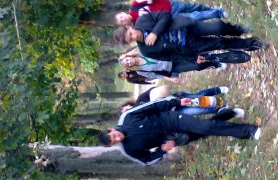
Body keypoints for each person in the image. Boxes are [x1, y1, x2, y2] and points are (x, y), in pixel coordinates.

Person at [98, 96, 260, 165]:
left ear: (111, 129)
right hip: (173, 139)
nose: (117, 138)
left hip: (172, 119)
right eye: (114, 141)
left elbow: (153, 106)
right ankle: (228, 114)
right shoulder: (129, 149)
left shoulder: (127, 117)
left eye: (113, 135)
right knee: (205, 130)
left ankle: (249, 131)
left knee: (205, 127)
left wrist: (176, 102)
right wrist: (162, 150)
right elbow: (146, 160)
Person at [115, 25, 265, 61]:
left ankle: (240, 29)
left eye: (130, 34)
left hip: (187, 27)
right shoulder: (146, 50)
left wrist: (155, 32)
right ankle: (251, 43)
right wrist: (192, 58)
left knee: (218, 26)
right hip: (187, 46)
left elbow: (164, 16)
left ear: (129, 27)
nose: (134, 36)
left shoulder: (144, 22)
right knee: (219, 43)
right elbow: (171, 57)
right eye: (131, 39)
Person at [115, 0, 228, 28]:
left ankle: (212, 9)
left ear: (122, 13)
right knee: (195, 17)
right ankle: (219, 12)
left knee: (194, 7)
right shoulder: (138, 25)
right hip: (171, 18)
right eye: (121, 21)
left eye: (121, 17)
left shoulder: (135, 5)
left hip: (170, 5)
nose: (123, 19)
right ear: (124, 25)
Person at [119, 85, 231, 117]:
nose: (129, 110)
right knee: (198, 110)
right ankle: (220, 110)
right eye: (126, 112)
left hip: (174, 98)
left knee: (197, 96)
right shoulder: (141, 117)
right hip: (175, 112)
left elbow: (154, 90)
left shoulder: (141, 100)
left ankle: (217, 90)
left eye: (126, 108)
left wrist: (157, 99)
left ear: (128, 105)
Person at [118, 49, 225, 81]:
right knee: (196, 66)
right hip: (173, 68)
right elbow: (155, 75)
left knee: (195, 56)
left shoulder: (142, 52)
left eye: (127, 60)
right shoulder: (140, 71)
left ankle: (213, 57)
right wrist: (170, 79)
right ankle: (214, 64)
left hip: (172, 56)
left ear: (129, 56)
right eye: (127, 63)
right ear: (129, 67)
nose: (129, 62)